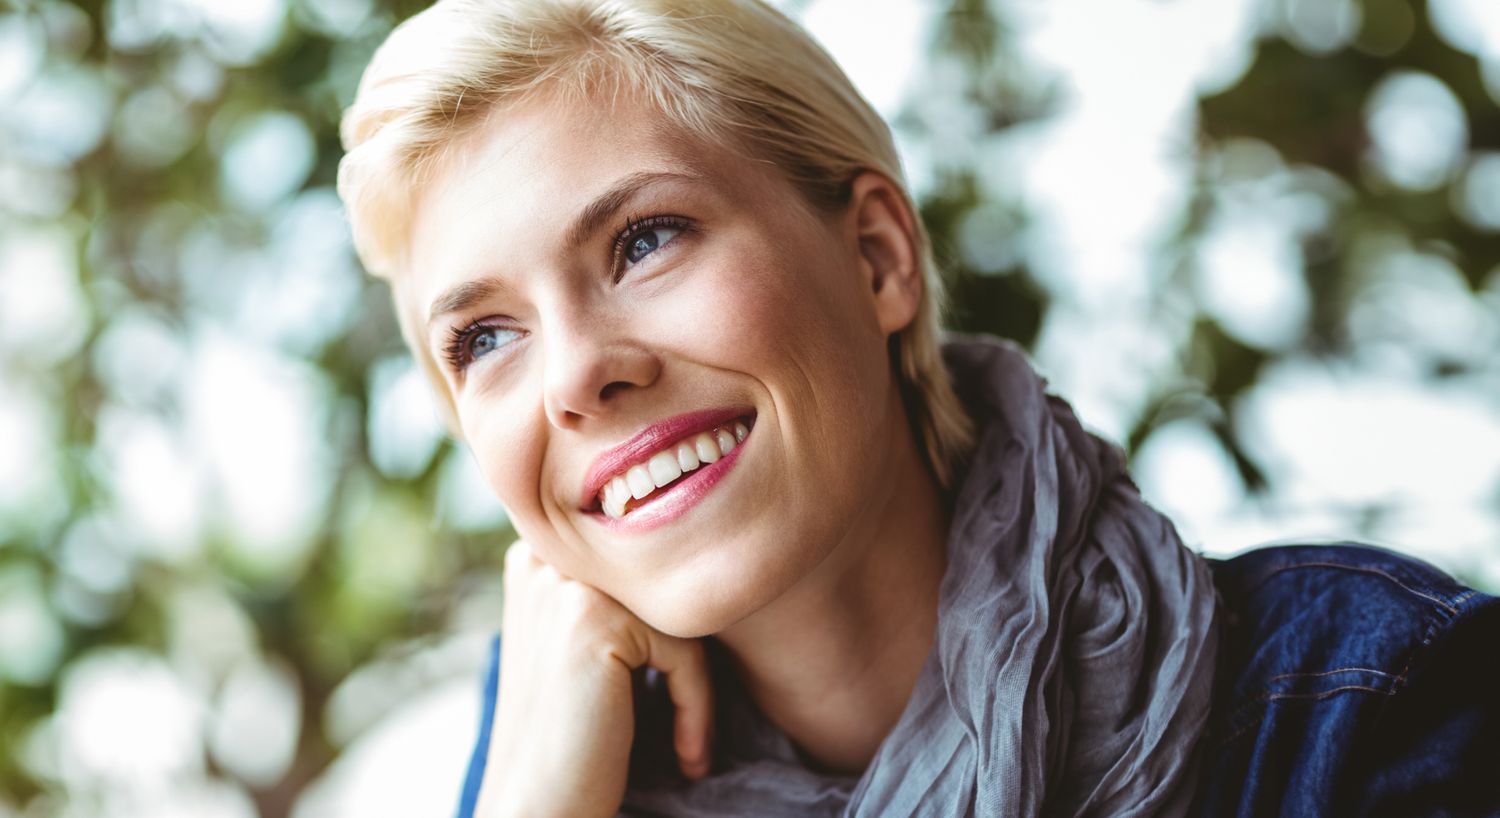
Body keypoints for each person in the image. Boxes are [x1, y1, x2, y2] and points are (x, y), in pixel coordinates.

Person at [335, 1, 1500, 815]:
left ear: (880, 257)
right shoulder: (546, 769)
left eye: (645, 239)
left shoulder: (1372, 701)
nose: (576, 372)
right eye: (484, 337)